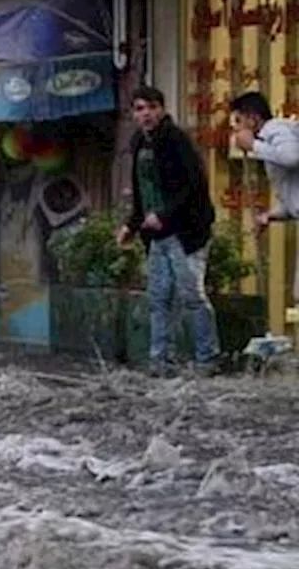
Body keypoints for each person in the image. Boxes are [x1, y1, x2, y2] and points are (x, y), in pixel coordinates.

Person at [116, 85, 220, 377]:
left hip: (186, 233)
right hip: (156, 235)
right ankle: (161, 359)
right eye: (139, 108)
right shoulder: (139, 143)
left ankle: (207, 358)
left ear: (161, 109)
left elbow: (193, 185)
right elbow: (142, 191)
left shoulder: (176, 140)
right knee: (159, 297)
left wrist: (164, 215)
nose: (145, 114)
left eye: (150, 107)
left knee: (192, 295)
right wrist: (132, 225)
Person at [228, 91, 299, 304]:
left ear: (253, 118)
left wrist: (254, 147)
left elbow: (291, 157)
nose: (237, 129)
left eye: (239, 121)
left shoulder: (275, 129)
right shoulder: (270, 141)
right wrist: (269, 216)